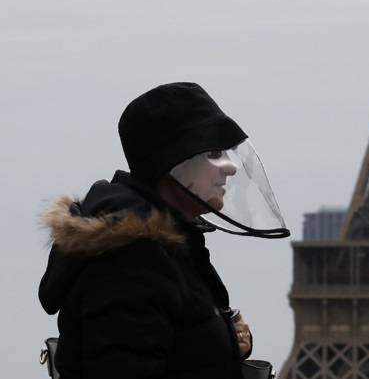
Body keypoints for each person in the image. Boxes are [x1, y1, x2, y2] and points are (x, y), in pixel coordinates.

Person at [38, 82, 289, 379]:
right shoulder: (134, 259)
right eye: (212, 152)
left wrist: (225, 341)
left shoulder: (152, 250)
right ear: (172, 162)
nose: (230, 166)